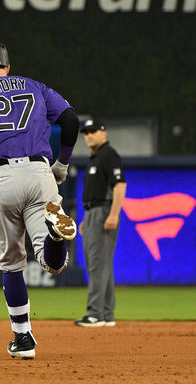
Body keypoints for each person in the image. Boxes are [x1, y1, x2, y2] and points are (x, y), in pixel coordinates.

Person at [0, 40, 79, 359]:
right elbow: (70, 120)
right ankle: (53, 232)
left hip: (2, 177)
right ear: (6, 66)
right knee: (54, 263)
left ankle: (23, 340)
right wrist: (62, 163)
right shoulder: (35, 87)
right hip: (41, 174)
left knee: (11, 264)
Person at [75, 119, 127, 328]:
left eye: (93, 131)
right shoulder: (95, 157)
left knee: (98, 264)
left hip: (103, 211)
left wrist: (113, 214)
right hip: (92, 213)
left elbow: (120, 184)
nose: (88, 135)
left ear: (103, 133)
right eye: (86, 132)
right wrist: (86, 219)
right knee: (99, 264)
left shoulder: (109, 154)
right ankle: (105, 313)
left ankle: (95, 313)